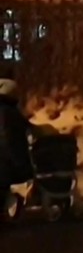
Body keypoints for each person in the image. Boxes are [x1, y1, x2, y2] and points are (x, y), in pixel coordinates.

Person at [0, 74, 33, 232]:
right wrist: (19, 161)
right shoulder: (6, 112)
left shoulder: (7, 111)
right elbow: (8, 138)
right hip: (4, 160)